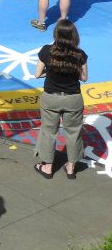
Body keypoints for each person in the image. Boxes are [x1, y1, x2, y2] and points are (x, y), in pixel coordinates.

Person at [34, 19, 88, 179]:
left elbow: (37, 74)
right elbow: (84, 78)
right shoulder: (80, 55)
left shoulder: (46, 51)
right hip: (73, 99)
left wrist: (49, 72)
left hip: (51, 98)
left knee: (48, 131)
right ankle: (71, 168)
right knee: (74, 132)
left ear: (56, 34)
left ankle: (48, 167)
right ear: (74, 36)